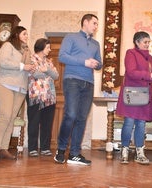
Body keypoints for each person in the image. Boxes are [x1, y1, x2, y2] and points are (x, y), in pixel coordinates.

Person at [54, 14, 102, 165]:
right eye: (94, 23)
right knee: (71, 114)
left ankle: (74, 153)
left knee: (81, 118)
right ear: (85, 22)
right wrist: (85, 62)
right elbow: (62, 56)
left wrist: (97, 64)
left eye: (97, 24)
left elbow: (100, 63)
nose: (96, 26)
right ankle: (61, 150)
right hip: (72, 80)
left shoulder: (96, 44)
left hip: (89, 83)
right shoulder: (71, 37)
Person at [116, 31, 152, 165]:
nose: (148, 44)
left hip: (145, 94)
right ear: (137, 42)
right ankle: (124, 150)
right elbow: (132, 73)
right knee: (129, 122)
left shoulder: (149, 57)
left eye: (149, 42)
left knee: (141, 124)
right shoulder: (130, 53)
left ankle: (140, 152)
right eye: (145, 42)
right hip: (132, 93)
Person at [0, 26, 35, 162]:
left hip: (20, 88)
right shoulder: (7, 45)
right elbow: (3, 62)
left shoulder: (27, 50)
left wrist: (32, 67)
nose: (27, 36)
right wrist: (23, 66)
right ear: (17, 34)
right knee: (5, 116)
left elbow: (28, 67)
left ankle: (4, 148)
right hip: (4, 84)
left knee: (11, 118)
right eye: (24, 34)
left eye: (27, 34)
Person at [26, 38, 59, 157]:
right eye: (48, 47)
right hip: (35, 95)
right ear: (41, 47)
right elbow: (35, 74)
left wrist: (47, 70)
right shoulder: (31, 58)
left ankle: (45, 148)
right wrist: (48, 73)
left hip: (49, 96)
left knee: (47, 123)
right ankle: (32, 148)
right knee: (34, 122)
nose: (49, 50)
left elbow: (56, 76)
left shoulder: (49, 62)